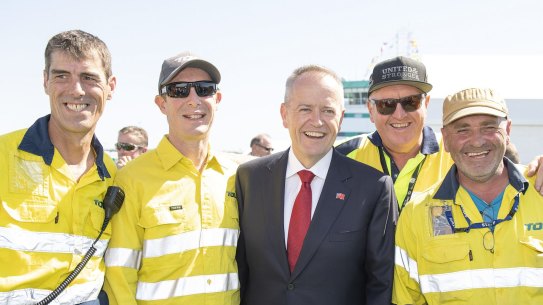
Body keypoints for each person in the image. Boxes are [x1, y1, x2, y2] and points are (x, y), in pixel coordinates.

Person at [236, 65, 397, 305]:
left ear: (340, 119)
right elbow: (240, 270)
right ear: (284, 114)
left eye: (328, 111)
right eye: (305, 109)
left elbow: (380, 285)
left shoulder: (373, 188)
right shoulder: (250, 179)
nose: (317, 121)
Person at [104, 52, 240, 305]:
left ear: (217, 99)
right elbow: (118, 274)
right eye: (178, 90)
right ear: (161, 103)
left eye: (204, 89)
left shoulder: (235, 177)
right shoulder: (131, 179)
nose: (193, 100)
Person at [393, 87, 543, 304]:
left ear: (508, 130)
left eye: (489, 127)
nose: (477, 141)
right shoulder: (416, 215)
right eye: (462, 130)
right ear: (445, 138)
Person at [337, 56, 543, 212]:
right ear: (370, 110)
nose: (399, 114)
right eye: (386, 105)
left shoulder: (462, 152)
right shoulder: (340, 158)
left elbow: (512, 178)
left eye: (411, 102)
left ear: (426, 104)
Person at [0, 30, 117, 305]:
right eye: (62, 75)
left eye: (89, 77)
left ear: (111, 86)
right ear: (45, 82)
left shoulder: (114, 176)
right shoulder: (3, 155)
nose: (76, 89)